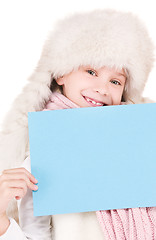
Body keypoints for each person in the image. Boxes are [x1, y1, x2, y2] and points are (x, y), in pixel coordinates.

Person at [0, 8, 156, 239]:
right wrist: (2, 222)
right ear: (61, 74)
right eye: (91, 71)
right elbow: (36, 234)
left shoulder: (142, 141)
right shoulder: (43, 148)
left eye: (115, 81)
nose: (102, 89)